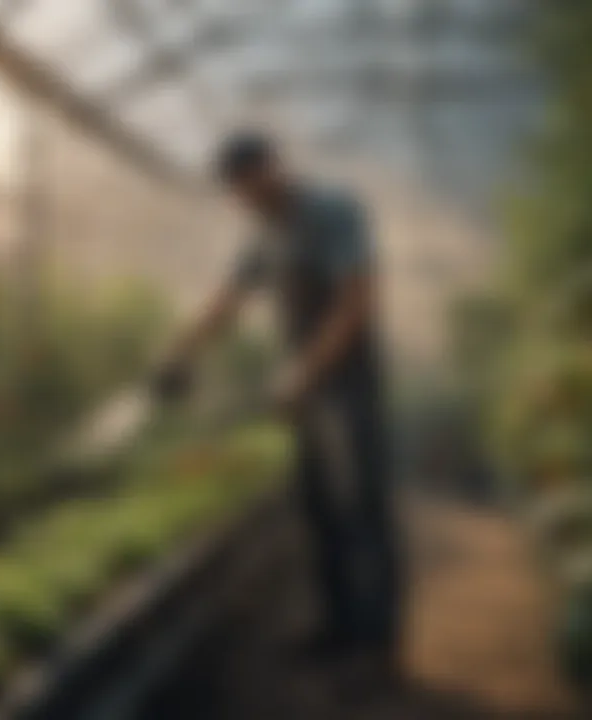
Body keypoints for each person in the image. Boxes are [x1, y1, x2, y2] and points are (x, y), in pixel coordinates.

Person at [152, 131, 402, 672]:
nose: (244, 199)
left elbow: (358, 301)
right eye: (236, 192)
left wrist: (303, 375)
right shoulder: (265, 235)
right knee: (318, 507)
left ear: (272, 169)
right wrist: (179, 354)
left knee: (362, 508)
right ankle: (337, 627)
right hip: (306, 387)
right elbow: (226, 300)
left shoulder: (333, 210)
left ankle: (378, 647)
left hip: (347, 381)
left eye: (248, 185)